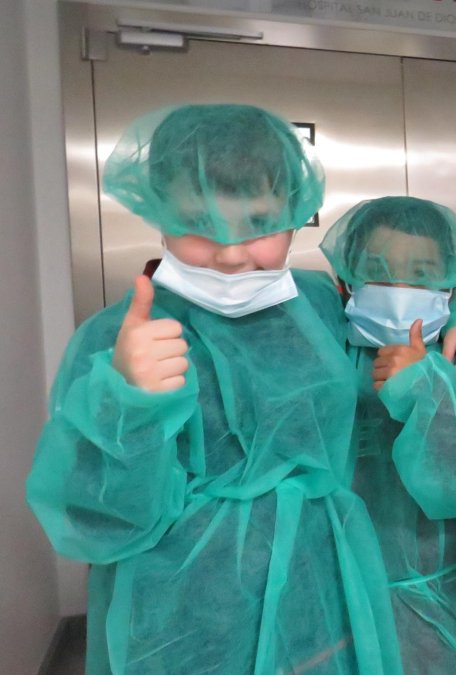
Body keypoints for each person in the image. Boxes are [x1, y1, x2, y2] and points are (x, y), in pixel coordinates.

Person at [26, 104, 406, 674]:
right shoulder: (115, 339)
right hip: (183, 621)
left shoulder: (317, 304)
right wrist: (126, 403)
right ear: (157, 213)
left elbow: (407, 305)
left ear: (297, 211)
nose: (231, 255)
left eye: (258, 224)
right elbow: (94, 522)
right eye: (200, 225)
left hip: (319, 591)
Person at [320, 196, 456, 674]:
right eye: (379, 270)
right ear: (345, 279)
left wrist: (431, 390)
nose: (402, 288)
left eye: (423, 273)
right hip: (331, 605)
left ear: (449, 282)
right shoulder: (318, 350)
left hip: (448, 609)